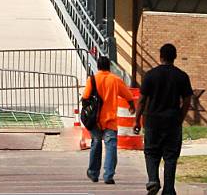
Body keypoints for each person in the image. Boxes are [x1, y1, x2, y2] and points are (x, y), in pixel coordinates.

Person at [138, 43, 193, 195]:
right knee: (170, 156)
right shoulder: (182, 76)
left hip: (153, 121)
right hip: (172, 121)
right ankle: (169, 189)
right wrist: (180, 117)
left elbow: (142, 100)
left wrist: (137, 120)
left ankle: (153, 180)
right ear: (175, 57)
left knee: (151, 152)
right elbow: (187, 100)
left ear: (160, 56)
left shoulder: (150, 75)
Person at [83, 55, 138, 185]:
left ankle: (93, 173)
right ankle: (108, 175)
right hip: (110, 120)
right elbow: (128, 96)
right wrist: (131, 106)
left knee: (96, 144)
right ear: (109, 67)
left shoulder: (92, 80)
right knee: (111, 147)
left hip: (95, 119)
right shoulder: (115, 80)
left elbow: (85, 97)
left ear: (98, 66)